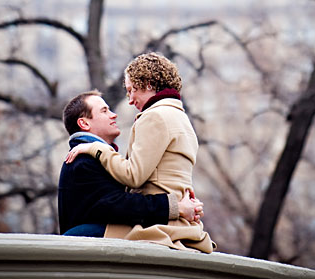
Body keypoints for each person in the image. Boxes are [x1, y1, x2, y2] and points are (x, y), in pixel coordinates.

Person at [66, 53, 215, 253]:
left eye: (131, 90)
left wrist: (96, 148)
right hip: (178, 221)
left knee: (73, 237)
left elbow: (133, 176)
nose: (129, 100)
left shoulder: (154, 117)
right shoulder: (180, 117)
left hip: (158, 226)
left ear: (146, 83)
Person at [58, 90, 202, 237]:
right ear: (84, 123)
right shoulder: (83, 160)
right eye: (104, 111)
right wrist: (174, 206)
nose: (113, 115)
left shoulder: (95, 157)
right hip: (91, 253)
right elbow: (117, 206)